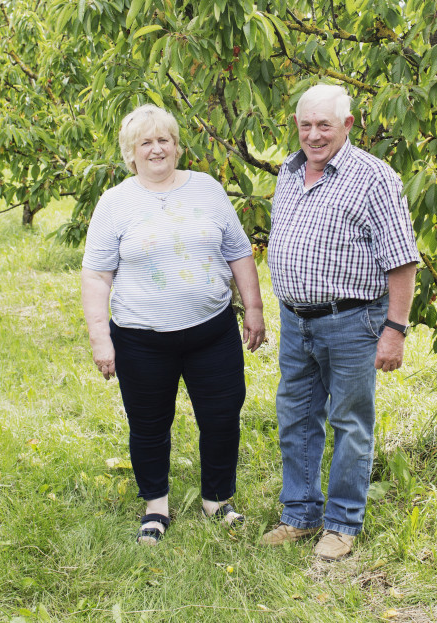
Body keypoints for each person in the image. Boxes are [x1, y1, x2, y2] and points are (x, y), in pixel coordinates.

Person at [80, 104, 266, 545]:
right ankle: (155, 506)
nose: (156, 148)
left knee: (222, 419)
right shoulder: (115, 202)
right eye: (145, 142)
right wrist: (100, 338)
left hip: (212, 333)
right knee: (149, 425)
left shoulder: (207, 189)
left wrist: (254, 309)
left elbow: (239, 251)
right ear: (131, 154)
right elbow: (96, 274)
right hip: (141, 340)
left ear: (177, 146)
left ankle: (217, 499)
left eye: (164, 139)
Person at [260, 83, 419, 561]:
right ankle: (300, 515)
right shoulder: (288, 174)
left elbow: (403, 262)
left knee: (350, 422)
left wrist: (395, 330)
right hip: (296, 322)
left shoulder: (374, 178)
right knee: (295, 417)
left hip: (352, 323)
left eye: (324, 125)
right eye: (305, 125)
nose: (313, 135)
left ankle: (342, 522)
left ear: (347, 125)